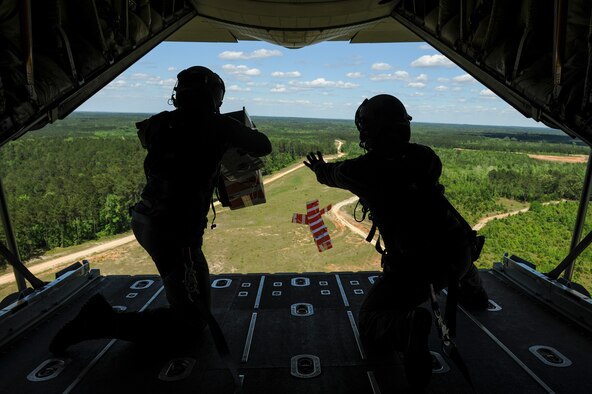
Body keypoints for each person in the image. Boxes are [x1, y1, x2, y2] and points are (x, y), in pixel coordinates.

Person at [49, 66, 272, 354]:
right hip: (176, 231)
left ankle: (105, 319)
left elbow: (172, 149)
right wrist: (229, 132)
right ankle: (101, 322)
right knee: (192, 320)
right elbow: (262, 145)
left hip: (147, 219)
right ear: (213, 97)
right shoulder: (217, 126)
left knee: (187, 298)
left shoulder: (158, 124)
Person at [303, 94, 488, 391]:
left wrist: (320, 169)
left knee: (369, 319)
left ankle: (406, 328)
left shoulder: (361, 171)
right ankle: (477, 294)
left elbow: (331, 175)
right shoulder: (427, 158)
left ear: (367, 132)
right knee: (455, 252)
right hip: (458, 253)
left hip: (417, 267)